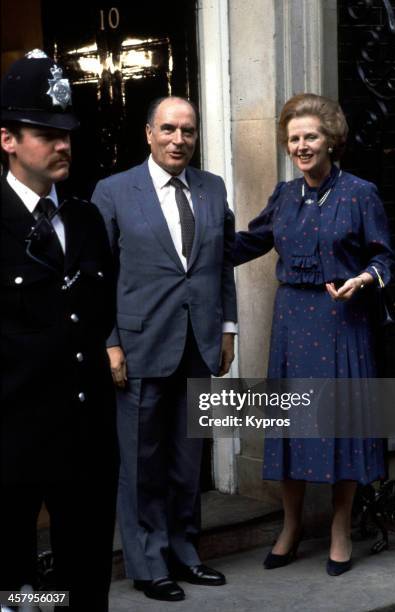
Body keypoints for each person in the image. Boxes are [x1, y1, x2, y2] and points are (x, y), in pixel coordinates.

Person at [233, 93, 395, 576]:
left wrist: (364, 279)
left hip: (341, 321)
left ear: (330, 141)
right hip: (292, 319)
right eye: (294, 139)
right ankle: (291, 526)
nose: (302, 146)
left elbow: (385, 258)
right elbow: (251, 241)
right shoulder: (285, 196)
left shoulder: (359, 193)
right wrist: (195, 246)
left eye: (311, 136)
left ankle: (340, 528)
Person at [92, 96, 237, 602]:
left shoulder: (213, 188)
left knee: (185, 459)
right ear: (149, 133)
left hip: (198, 342)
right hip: (137, 346)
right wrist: (109, 343)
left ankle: (185, 553)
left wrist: (228, 329)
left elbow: (221, 263)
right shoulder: (112, 192)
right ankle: (148, 563)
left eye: (189, 131)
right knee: (141, 461)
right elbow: (97, 278)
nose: (180, 139)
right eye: (170, 129)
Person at [0, 50, 118, 610]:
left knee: (86, 578)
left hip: (86, 438)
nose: (63, 144)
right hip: (14, 440)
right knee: (15, 590)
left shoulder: (87, 219)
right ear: (8, 140)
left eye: (66, 132)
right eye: (46, 132)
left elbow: (94, 319)